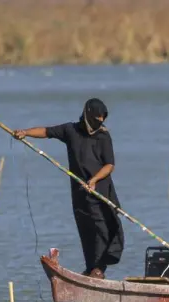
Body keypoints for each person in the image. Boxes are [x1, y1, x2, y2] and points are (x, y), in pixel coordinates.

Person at [11, 98, 124, 279]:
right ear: (87, 114)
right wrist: (25, 133)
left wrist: (94, 180)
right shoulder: (71, 130)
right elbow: (47, 131)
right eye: (96, 119)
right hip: (79, 192)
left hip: (99, 191)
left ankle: (99, 269)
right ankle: (90, 267)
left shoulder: (103, 136)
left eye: (102, 120)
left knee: (101, 229)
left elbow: (109, 165)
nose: (99, 123)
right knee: (85, 228)